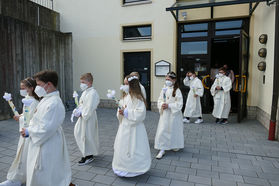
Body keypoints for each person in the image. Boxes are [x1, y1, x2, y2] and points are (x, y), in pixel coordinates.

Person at [20, 70, 73, 186]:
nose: (36, 88)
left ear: (48, 84)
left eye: (38, 85)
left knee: (46, 172)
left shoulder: (54, 103)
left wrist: (30, 131)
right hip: (41, 140)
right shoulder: (46, 99)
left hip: (48, 142)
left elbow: (47, 128)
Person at [0, 78, 39, 186]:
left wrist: (20, 118)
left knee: (25, 155)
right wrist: (20, 116)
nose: (21, 90)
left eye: (23, 88)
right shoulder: (27, 98)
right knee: (21, 154)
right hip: (24, 133)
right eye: (20, 88)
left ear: (31, 88)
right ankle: (17, 177)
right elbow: (25, 114)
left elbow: (32, 119)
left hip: (29, 133)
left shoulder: (35, 102)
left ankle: (19, 179)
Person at [112, 75, 151, 177]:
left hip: (135, 129)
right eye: (124, 84)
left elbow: (141, 113)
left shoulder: (138, 99)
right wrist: (120, 112)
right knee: (123, 146)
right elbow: (120, 109)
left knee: (134, 147)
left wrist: (126, 112)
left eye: (126, 84)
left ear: (132, 85)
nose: (124, 86)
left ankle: (135, 168)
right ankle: (122, 166)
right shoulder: (125, 97)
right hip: (124, 126)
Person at [154, 72, 184, 159]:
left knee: (173, 130)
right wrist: (162, 104)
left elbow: (179, 103)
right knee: (163, 130)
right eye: (166, 79)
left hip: (174, 114)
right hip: (165, 114)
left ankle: (174, 144)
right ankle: (162, 148)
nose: (167, 81)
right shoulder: (164, 89)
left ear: (174, 80)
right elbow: (160, 99)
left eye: (169, 79)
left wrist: (169, 106)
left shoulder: (177, 91)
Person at [73, 73, 100, 166]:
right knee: (80, 133)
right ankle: (87, 152)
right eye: (81, 82)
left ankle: (88, 155)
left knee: (87, 135)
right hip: (83, 117)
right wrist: (77, 110)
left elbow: (90, 107)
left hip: (88, 117)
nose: (81, 84)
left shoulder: (92, 93)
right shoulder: (85, 92)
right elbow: (82, 104)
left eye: (83, 82)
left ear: (90, 82)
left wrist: (82, 113)